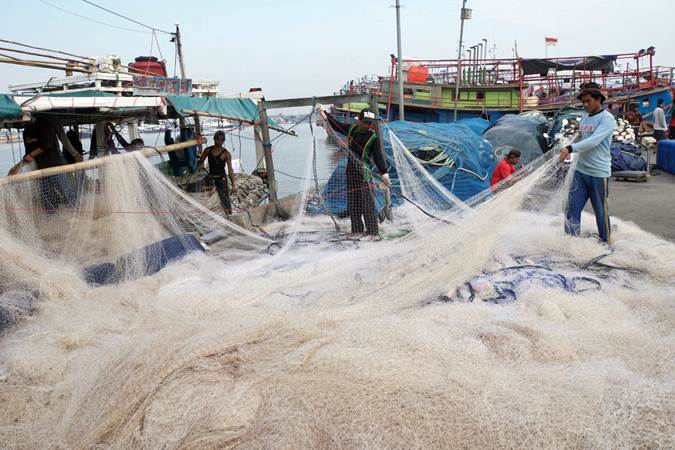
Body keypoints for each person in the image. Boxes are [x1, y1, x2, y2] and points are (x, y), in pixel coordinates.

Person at [558, 83, 615, 243]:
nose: (585, 105)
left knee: (600, 211)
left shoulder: (607, 119)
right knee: (572, 209)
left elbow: (594, 141)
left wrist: (570, 148)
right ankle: (571, 241)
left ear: (598, 100)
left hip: (598, 173)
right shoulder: (584, 118)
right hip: (581, 170)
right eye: (583, 102)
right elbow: (581, 136)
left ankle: (606, 241)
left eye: (588, 101)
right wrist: (566, 145)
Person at [321, 106, 390, 236]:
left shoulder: (373, 137)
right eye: (365, 122)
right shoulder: (352, 129)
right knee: (354, 204)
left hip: (364, 175)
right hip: (351, 172)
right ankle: (357, 230)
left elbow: (378, 155)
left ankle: (372, 232)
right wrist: (325, 114)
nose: (367, 125)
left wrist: (384, 173)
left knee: (367, 205)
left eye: (369, 123)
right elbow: (337, 125)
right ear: (359, 121)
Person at [7, 117, 77, 210]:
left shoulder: (43, 124)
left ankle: (76, 210)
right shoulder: (26, 132)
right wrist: (17, 167)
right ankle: (51, 216)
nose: (18, 125)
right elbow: (28, 155)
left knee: (67, 191)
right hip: (41, 170)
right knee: (47, 198)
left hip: (55, 167)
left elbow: (47, 144)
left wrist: (32, 154)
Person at [198, 130, 237, 215]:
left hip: (221, 178)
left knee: (225, 198)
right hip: (211, 176)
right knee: (199, 188)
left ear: (223, 141)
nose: (219, 142)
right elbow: (201, 161)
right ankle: (212, 187)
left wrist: (234, 185)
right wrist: (200, 165)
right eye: (217, 139)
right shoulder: (207, 150)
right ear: (214, 139)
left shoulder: (226, 154)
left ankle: (229, 214)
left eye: (221, 140)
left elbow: (230, 170)